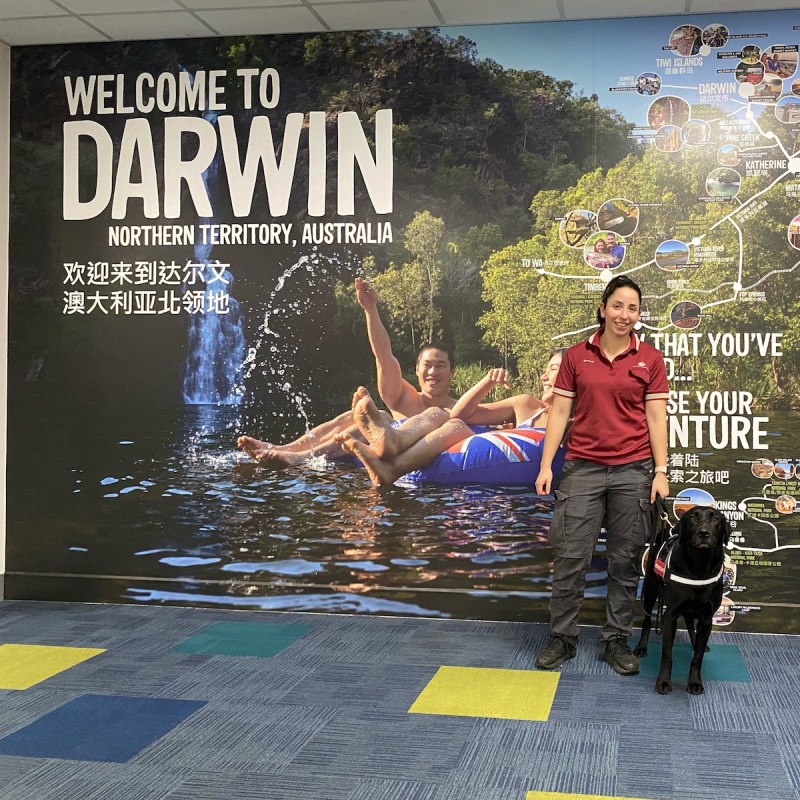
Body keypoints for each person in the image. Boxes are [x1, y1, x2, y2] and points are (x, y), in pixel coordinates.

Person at [533, 275, 669, 676]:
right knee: (570, 557)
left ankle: (616, 640)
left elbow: (657, 417)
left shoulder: (651, 360)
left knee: (625, 561)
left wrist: (660, 471)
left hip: (634, 471)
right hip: (582, 470)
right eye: (617, 306)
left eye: (632, 308)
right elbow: (559, 413)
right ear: (603, 308)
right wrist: (546, 465)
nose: (624, 315)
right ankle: (562, 638)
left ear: (638, 315)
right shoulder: (576, 357)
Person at [237, 277, 458, 466]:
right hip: (370, 450)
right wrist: (370, 310)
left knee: (380, 417)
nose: (432, 372)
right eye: (427, 365)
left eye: (440, 365)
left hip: (404, 454)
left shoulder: (459, 409)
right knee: (359, 415)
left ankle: (301, 458)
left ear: (453, 372)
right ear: (416, 370)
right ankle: (283, 448)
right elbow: (383, 355)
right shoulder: (403, 397)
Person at [338, 351, 564, 487]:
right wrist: (487, 382)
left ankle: (392, 467)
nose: (544, 376)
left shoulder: (580, 422)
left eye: (553, 369)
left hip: (495, 461)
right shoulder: (527, 405)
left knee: (454, 425)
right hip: (474, 439)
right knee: (443, 415)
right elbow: (461, 413)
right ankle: (392, 441)